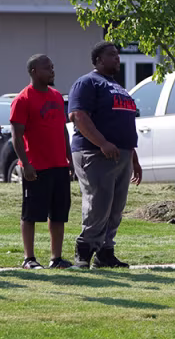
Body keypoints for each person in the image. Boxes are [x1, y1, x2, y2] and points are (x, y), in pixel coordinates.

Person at [68, 41, 142, 269]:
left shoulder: (117, 86)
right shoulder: (87, 82)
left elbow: (124, 122)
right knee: (98, 204)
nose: (117, 58)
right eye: (112, 55)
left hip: (121, 154)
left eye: (118, 55)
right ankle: (84, 251)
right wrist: (102, 143)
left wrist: (133, 157)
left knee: (115, 207)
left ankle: (105, 253)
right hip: (95, 152)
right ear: (98, 60)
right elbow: (78, 115)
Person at [10, 54, 74, 269]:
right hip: (36, 167)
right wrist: (26, 164)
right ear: (34, 71)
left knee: (58, 214)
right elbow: (16, 136)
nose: (52, 71)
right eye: (48, 68)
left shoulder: (56, 96)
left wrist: (69, 159)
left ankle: (56, 258)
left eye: (53, 67)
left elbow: (63, 130)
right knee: (30, 214)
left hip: (59, 165)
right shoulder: (23, 99)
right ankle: (29, 258)